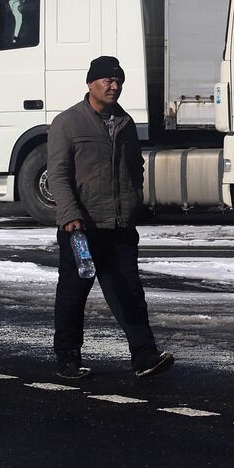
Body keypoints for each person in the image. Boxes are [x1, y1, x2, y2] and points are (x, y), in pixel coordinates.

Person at [48, 55, 173, 380]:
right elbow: (58, 175)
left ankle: (144, 356)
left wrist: (135, 202)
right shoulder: (68, 123)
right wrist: (70, 214)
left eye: (118, 81)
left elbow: (135, 168)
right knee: (73, 296)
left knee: (130, 293)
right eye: (107, 80)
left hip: (119, 227)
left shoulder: (125, 123)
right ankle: (67, 358)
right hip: (81, 229)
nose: (114, 86)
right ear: (91, 83)